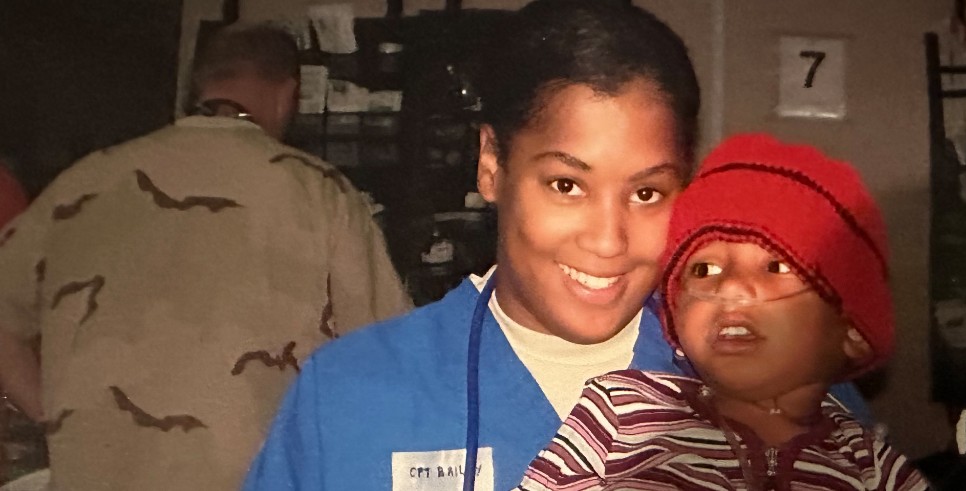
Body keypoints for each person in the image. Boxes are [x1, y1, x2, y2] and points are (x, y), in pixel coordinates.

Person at [247, 2, 866, 489]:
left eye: (647, 194)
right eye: (567, 184)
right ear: (491, 164)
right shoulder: (353, 396)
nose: (608, 240)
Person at [0, 24, 410, 491]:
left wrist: (58, 416)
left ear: (200, 85)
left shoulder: (87, 180)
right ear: (287, 95)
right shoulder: (317, 193)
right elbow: (386, 358)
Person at [519, 133, 928, 491]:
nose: (729, 287)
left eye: (777, 267)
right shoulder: (620, 414)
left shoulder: (870, 465)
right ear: (676, 319)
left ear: (851, 333)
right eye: (703, 269)